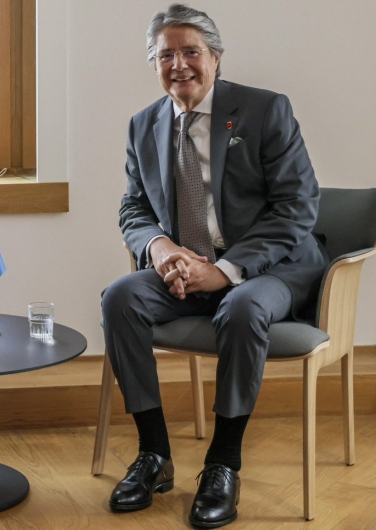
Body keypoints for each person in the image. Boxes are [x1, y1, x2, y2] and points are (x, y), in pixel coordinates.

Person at [101, 4, 326, 528]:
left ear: (216, 59)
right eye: (166, 55)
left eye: (191, 52)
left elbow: (298, 206)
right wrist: (160, 249)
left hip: (270, 269)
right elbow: (134, 207)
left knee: (243, 308)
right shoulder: (143, 125)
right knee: (120, 297)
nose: (179, 64)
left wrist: (225, 271)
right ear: (154, 64)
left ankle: (223, 463)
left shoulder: (265, 111)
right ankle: (153, 454)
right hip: (186, 268)